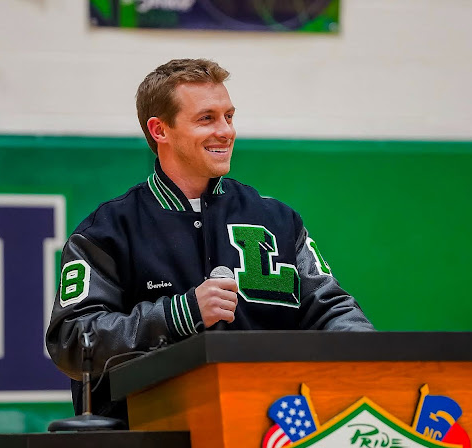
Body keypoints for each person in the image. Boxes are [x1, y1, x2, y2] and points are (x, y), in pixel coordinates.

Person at [46, 58, 374, 425]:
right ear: (160, 130)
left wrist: (374, 361)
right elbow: (72, 342)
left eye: (229, 117)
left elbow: (331, 310)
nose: (226, 131)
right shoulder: (107, 231)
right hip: (153, 446)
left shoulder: (278, 220)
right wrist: (179, 314)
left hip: (272, 438)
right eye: (207, 119)